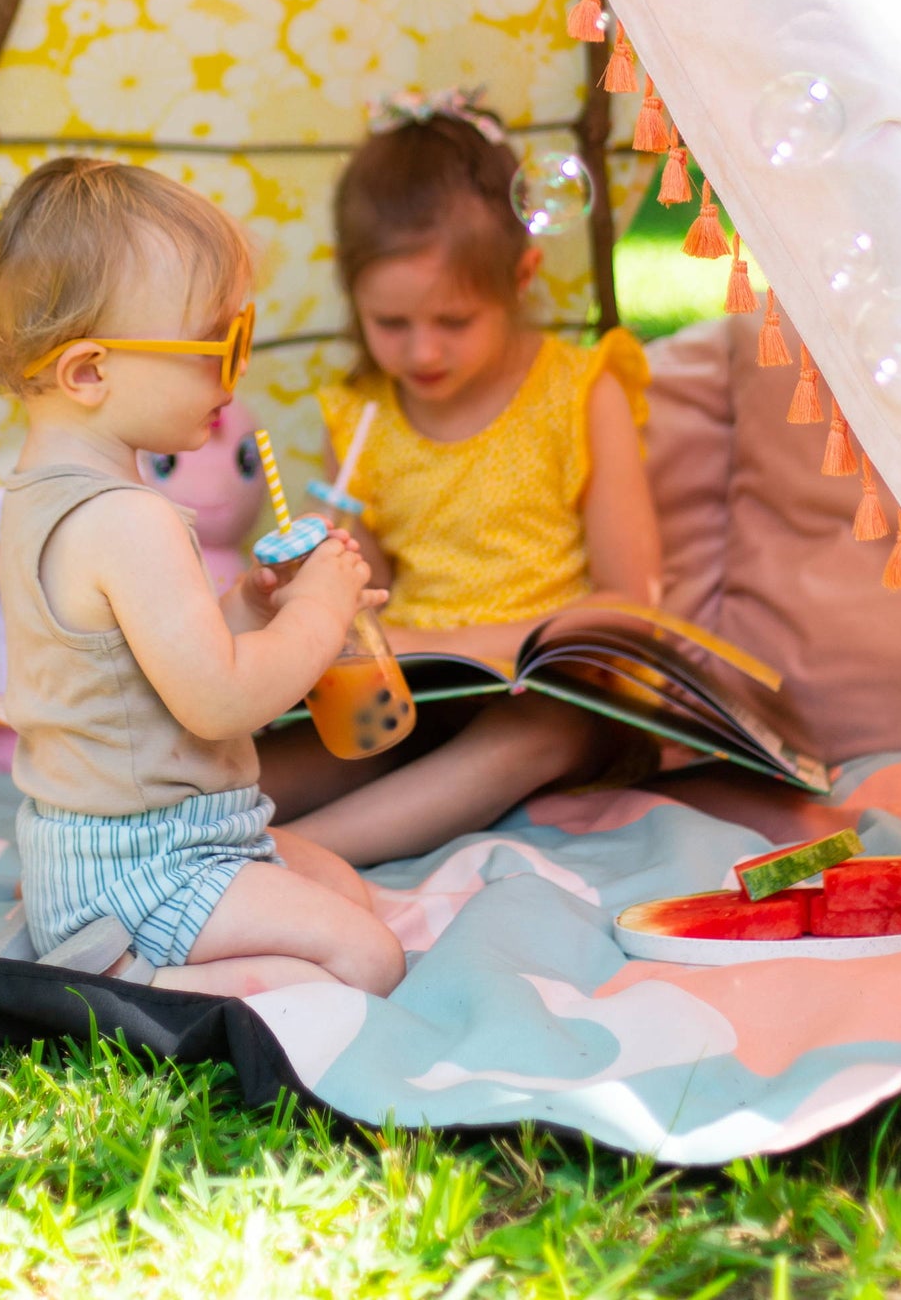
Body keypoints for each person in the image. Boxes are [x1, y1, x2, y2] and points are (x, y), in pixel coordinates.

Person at [0, 156, 406, 997]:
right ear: (90, 372)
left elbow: (153, 671)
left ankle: (123, 952)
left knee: (347, 894)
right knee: (368, 959)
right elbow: (222, 702)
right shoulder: (130, 520)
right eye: (219, 347)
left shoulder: (39, 495)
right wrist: (318, 609)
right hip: (144, 869)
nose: (234, 378)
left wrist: (245, 604)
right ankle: (130, 985)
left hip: (142, 846)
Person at [256, 93, 665, 867]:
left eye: (454, 321)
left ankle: (289, 859)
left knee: (541, 729)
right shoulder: (360, 418)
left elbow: (632, 608)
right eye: (391, 324)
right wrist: (311, 584)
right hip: (412, 695)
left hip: (555, 693)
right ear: (355, 299)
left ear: (522, 275)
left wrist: (463, 642)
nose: (422, 353)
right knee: (306, 749)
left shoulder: (582, 391)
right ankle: (168, 838)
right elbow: (354, 591)